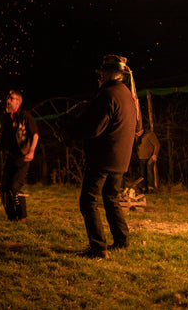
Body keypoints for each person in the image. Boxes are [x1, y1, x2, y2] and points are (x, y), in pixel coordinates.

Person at [64, 54, 139, 259]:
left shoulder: (107, 95)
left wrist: (72, 128)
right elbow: (135, 126)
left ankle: (98, 248)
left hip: (103, 157)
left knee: (87, 200)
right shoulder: (126, 94)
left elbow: (95, 128)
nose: (100, 76)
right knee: (111, 197)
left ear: (108, 73)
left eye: (102, 73)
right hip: (121, 158)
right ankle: (122, 240)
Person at [0, 90, 39, 222]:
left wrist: (31, 151)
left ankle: (22, 216)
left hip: (23, 156)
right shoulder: (5, 118)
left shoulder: (25, 116)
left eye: (12, 99)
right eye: (8, 98)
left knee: (14, 187)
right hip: (10, 157)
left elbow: (35, 134)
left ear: (18, 102)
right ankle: (11, 216)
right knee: (4, 189)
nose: (8, 101)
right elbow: (0, 137)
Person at [135, 129, 160, 193]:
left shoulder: (149, 135)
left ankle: (151, 188)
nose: (137, 133)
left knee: (149, 172)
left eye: (138, 131)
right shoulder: (136, 136)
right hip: (141, 157)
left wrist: (155, 154)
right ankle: (144, 188)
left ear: (142, 130)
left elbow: (157, 144)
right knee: (142, 173)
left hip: (150, 157)